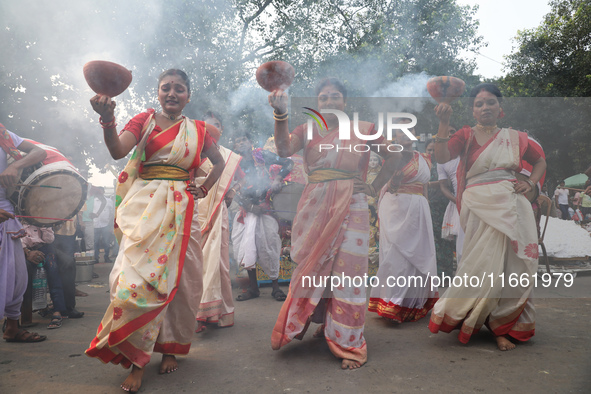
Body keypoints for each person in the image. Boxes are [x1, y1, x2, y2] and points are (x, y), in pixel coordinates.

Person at [85, 69, 225, 393]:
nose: (172, 93)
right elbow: (118, 151)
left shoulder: (199, 130)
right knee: (132, 282)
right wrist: (107, 120)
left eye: (179, 88)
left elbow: (217, 163)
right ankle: (136, 355)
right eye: (166, 88)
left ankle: (167, 350)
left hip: (183, 210)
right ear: (158, 93)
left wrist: (203, 189)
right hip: (144, 209)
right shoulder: (144, 121)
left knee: (180, 282)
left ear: (189, 95)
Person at [267, 77, 399, 369]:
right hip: (314, 205)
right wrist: (280, 114)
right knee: (314, 268)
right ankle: (324, 323)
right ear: (317, 103)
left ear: (345, 102)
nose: (329, 102)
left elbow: (395, 155)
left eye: (335, 97)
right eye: (324, 98)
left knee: (348, 273)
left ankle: (348, 341)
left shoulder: (364, 129)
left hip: (352, 204)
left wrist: (375, 186)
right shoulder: (306, 129)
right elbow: (283, 150)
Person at [429, 83, 547, 351]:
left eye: (490, 102)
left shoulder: (516, 137)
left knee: (513, 265)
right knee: (483, 265)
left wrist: (530, 183)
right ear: (473, 110)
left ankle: (504, 325)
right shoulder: (465, 134)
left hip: (512, 202)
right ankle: (479, 319)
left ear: (500, 108)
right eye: (479, 104)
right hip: (478, 203)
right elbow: (442, 155)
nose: (485, 107)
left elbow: (540, 162)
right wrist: (443, 123)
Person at [368, 123, 438, 323]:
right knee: (396, 256)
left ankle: (412, 304)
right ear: (396, 137)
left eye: (411, 131)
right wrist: (395, 182)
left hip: (418, 210)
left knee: (418, 257)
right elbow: (387, 186)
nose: (406, 134)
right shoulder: (392, 157)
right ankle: (393, 304)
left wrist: (426, 209)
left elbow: (424, 188)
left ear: (415, 134)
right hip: (396, 208)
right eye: (400, 132)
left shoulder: (425, 159)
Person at [230, 130, 293, 301]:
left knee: (270, 246)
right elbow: (230, 189)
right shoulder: (233, 162)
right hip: (245, 210)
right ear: (234, 146)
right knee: (244, 248)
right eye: (237, 141)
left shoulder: (262, 155)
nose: (241, 143)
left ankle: (275, 287)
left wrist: (278, 179)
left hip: (266, 208)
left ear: (250, 143)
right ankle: (253, 289)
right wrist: (249, 206)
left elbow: (288, 163)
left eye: (244, 139)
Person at [0, 122, 48, 343]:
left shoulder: (4, 134)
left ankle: (12, 327)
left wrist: (16, 165)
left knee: (17, 277)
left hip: (8, 218)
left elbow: (40, 151)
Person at [194, 111, 241, 331]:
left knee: (219, 263)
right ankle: (195, 313)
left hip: (217, 211)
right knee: (194, 263)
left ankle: (217, 313)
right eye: (209, 124)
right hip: (193, 209)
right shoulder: (192, 150)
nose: (213, 127)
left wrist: (231, 191)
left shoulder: (228, 156)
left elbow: (240, 179)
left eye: (218, 125)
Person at [425, 138, 455, 277]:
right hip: (428, 206)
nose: (431, 152)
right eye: (429, 150)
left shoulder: (444, 164)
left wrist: (431, 184)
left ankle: (447, 275)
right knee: (431, 241)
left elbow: (449, 182)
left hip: (444, 205)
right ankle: (433, 275)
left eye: (434, 150)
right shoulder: (422, 164)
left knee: (446, 239)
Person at [436, 129, 464, 267]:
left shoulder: (468, 151)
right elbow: (443, 186)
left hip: (480, 198)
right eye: (447, 132)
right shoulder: (441, 161)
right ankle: (466, 283)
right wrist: (456, 200)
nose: (450, 135)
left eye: (453, 132)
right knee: (462, 247)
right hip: (460, 203)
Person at [93, 187, 114, 263]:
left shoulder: (109, 201)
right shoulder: (93, 201)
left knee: (106, 241)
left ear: (103, 192)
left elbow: (112, 212)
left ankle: (106, 257)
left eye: (101, 191)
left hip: (106, 224)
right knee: (96, 242)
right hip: (95, 224)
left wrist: (109, 221)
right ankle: (96, 258)